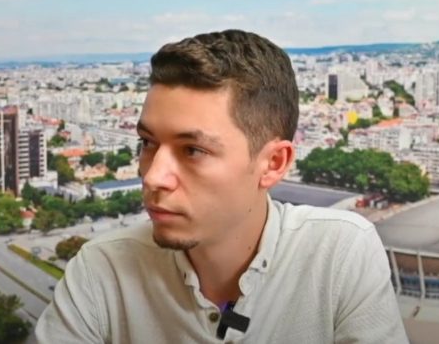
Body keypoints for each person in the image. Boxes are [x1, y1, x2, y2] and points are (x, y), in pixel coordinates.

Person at [36, 30, 408, 343]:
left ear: (273, 163)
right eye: (147, 143)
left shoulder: (338, 254)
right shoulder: (102, 270)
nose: (153, 176)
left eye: (193, 150)